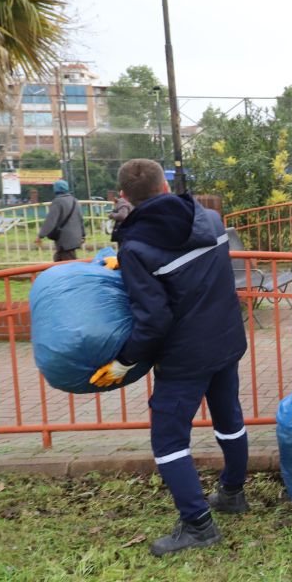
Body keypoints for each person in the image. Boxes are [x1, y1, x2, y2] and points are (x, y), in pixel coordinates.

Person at [89, 159, 249, 557]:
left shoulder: (137, 246)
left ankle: (197, 525)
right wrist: (127, 263)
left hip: (184, 357)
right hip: (227, 340)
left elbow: (153, 320)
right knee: (228, 416)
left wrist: (124, 361)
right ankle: (232, 493)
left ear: (123, 197)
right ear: (166, 185)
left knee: (168, 440)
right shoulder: (209, 219)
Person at [36, 179, 84, 261]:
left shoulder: (58, 202)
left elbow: (50, 221)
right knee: (59, 259)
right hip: (75, 237)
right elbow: (80, 219)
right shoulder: (74, 201)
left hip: (65, 240)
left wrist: (41, 235)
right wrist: (83, 235)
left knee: (68, 264)